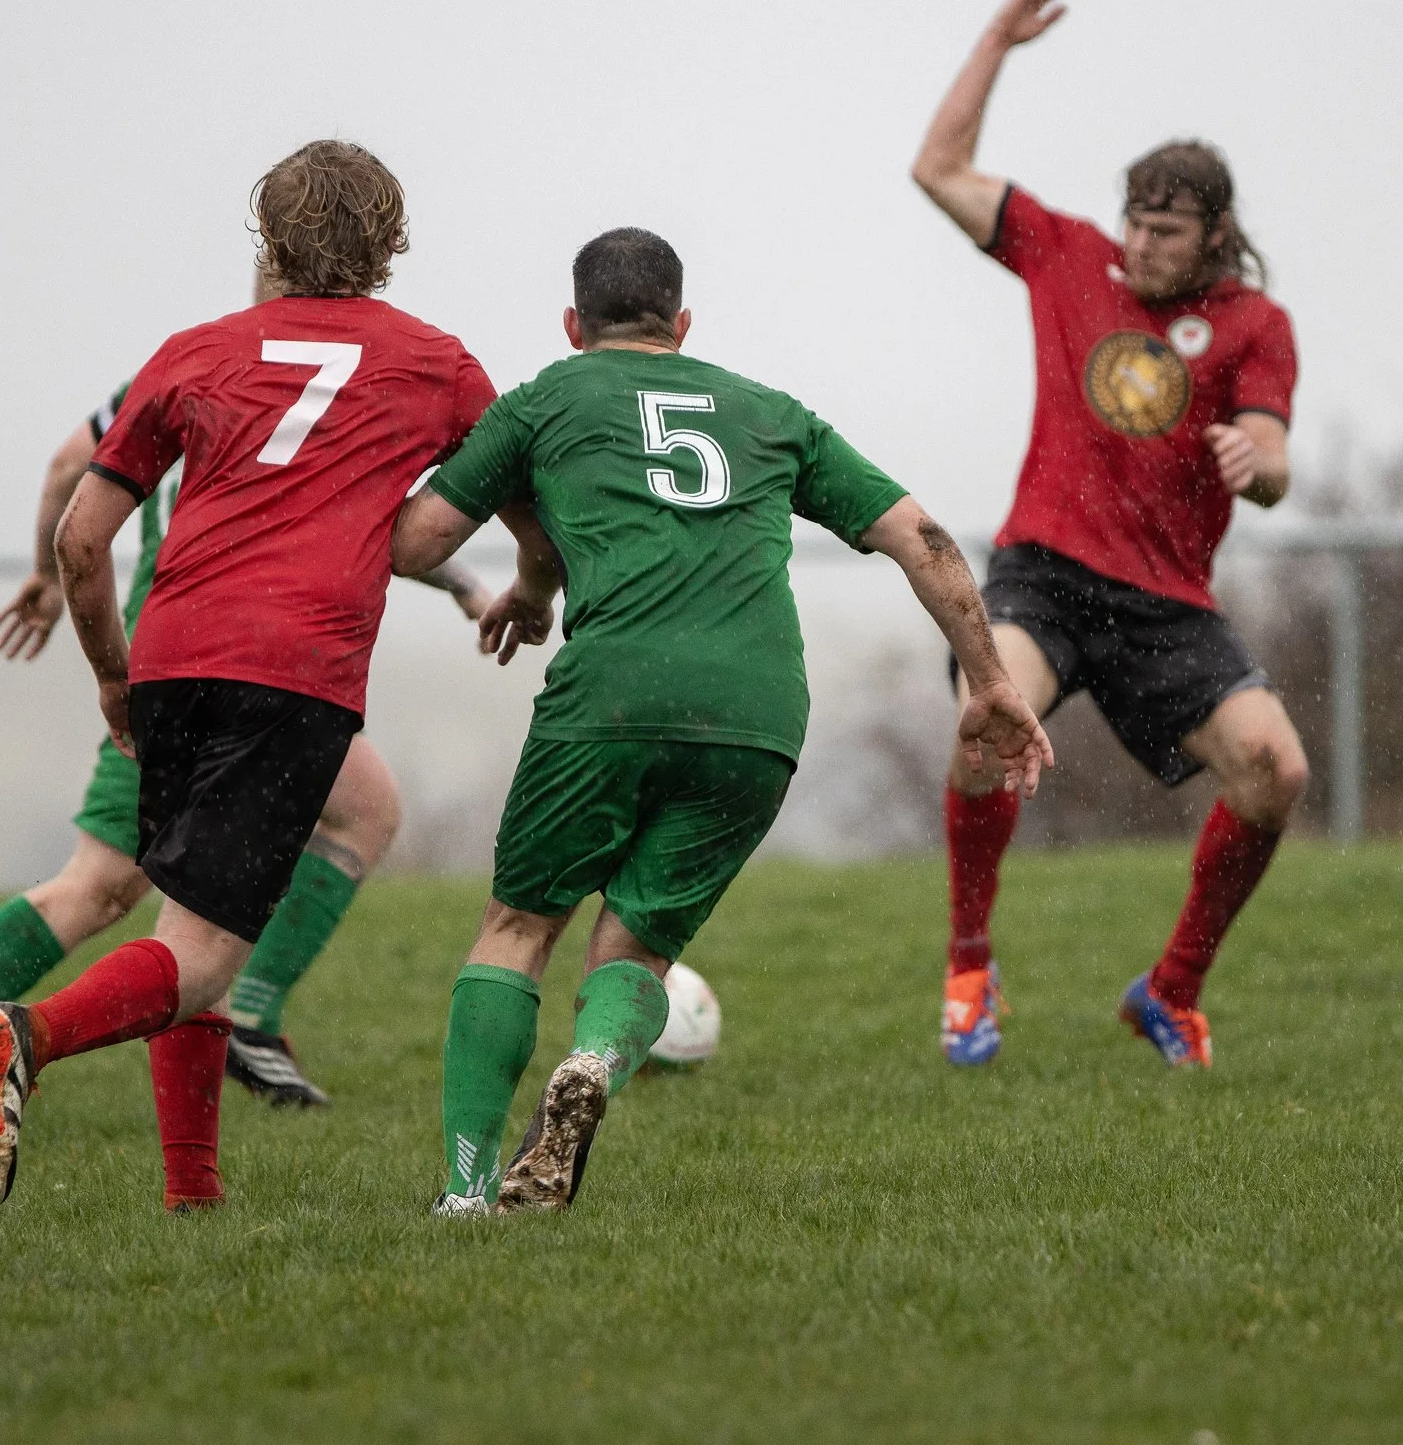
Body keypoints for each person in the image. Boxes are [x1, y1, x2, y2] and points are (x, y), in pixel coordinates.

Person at [391, 227, 1053, 1216]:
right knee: (638, 948)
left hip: (613, 690)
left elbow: (418, 540)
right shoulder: (767, 411)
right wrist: (990, 677)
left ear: (575, 324)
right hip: (757, 711)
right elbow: (921, 536)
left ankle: (465, 1191)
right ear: (682, 322)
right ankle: (594, 1061)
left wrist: (512, 548)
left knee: (518, 927)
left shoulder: (541, 400)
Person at [0, 139, 546, 1211]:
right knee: (204, 952)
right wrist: (531, 590)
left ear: (268, 240)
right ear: (392, 243)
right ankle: (25, 1037)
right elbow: (527, 507)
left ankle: (195, 1199)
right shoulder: (435, 363)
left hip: (171, 657)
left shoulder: (190, 353)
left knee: (197, 916)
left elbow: (83, 542)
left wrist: (108, 676)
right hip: (294, 669)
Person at [0, 326, 489, 1124]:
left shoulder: (197, 367)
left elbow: (66, 468)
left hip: (203, 655)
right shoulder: (318, 381)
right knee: (104, 888)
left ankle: (248, 1022)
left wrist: (49, 579)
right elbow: (361, 515)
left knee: (364, 807)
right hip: (206, 660)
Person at [911, 0, 1308, 1071]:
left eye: (1166, 229)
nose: (1139, 243)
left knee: (1275, 769)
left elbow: (1273, 459)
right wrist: (995, 36)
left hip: (1167, 604)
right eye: (1134, 219)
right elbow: (937, 168)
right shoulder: (1065, 253)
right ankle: (967, 967)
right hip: (1043, 570)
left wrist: (1256, 459)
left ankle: (1170, 991)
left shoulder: (1252, 325)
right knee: (986, 721)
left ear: (1214, 235)